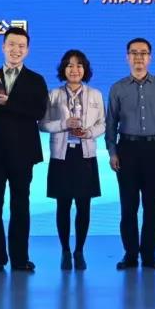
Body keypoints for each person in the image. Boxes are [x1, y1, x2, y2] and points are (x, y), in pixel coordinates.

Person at [0, 26, 49, 273]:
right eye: (11, 45)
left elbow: (38, 112)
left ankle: (19, 258)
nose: (16, 50)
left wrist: (9, 102)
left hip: (23, 152)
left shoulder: (36, 80)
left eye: (21, 46)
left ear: (27, 50)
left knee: (20, 205)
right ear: (3, 47)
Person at [105, 38, 155, 270]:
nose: (139, 57)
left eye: (143, 53)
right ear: (127, 57)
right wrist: (112, 151)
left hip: (154, 150)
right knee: (128, 206)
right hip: (127, 149)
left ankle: (149, 254)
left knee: (152, 206)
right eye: (134, 53)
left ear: (150, 57)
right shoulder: (118, 88)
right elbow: (110, 123)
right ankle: (130, 253)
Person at [39, 49, 105, 271]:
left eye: (78, 65)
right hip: (62, 155)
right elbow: (42, 124)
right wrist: (63, 125)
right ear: (63, 70)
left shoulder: (95, 94)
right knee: (63, 205)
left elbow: (103, 124)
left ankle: (79, 251)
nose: (74, 69)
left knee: (84, 206)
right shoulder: (54, 95)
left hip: (85, 155)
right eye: (69, 65)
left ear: (85, 69)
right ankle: (65, 251)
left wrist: (89, 132)